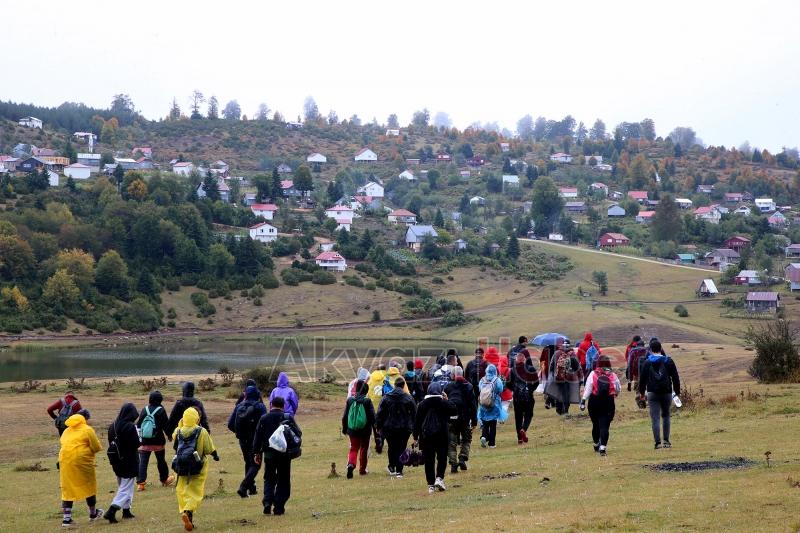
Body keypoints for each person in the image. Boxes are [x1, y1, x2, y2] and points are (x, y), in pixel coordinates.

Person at [252, 396, 302, 516]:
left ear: (271, 405)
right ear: (283, 406)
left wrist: (256, 452)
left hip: (269, 454)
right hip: (285, 455)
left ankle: (268, 501)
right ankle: (279, 507)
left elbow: (257, 437)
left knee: (269, 478)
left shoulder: (264, 418)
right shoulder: (287, 417)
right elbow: (298, 433)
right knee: (283, 479)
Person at [173, 407, 218, 531]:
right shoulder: (201, 431)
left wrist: (181, 424)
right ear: (197, 418)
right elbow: (209, 448)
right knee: (195, 492)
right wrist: (215, 455)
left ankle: (186, 515)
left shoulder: (178, 430)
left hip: (181, 466)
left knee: (182, 491)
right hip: (198, 465)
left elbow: (174, 444)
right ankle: (188, 512)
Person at [58, 411, 103, 527]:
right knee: (89, 485)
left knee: (68, 488)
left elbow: (63, 443)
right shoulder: (87, 429)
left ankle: (66, 519)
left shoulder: (66, 431)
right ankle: (93, 514)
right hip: (82, 462)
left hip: (65, 461)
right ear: (85, 418)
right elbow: (96, 447)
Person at [413, 382, 456, 494]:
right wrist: (447, 399)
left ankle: (430, 485)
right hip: (442, 435)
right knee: (442, 458)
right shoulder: (443, 403)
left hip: (426, 436)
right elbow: (454, 410)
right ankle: (439, 478)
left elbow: (417, 422)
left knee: (429, 461)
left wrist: (415, 436)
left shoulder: (422, 404)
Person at [638, 339, 681, 449]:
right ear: (661, 348)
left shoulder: (647, 362)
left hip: (652, 392)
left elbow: (642, 380)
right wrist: (677, 392)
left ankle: (657, 443)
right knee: (666, 415)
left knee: (655, 418)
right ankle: (666, 441)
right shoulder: (668, 361)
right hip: (667, 392)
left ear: (651, 350)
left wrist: (642, 394)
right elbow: (676, 378)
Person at [228, 385, 267, 498]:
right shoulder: (260, 407)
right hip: (256, 441)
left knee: (248, 463)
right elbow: (264, 422)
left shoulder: (239, 406)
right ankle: (243, 487)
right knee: (256, 464)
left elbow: (230, 424)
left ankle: (251, 489)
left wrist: (239, 433)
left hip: (242, 440)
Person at [105, 403, 140, 523]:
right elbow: (136, 443)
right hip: (129, 461)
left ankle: (126, 511)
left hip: (116, 461)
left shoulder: (112, 426)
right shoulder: (130, 426)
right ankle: (112, 510)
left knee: (123, 486)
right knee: (126, 487)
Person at [376, 376, 416, 478]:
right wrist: (413, 427)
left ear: (394, 385)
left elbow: (380, 413)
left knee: (392, 447)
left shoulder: (386, 397)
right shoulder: (409, 398)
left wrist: (378, 426)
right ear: (403, 386)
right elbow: (414, 414)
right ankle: (399, 470)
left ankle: (392, 466)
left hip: (389, 427)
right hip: (404, 428)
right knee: (401, 448)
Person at [580, 356, 621, 456]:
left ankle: (596, 443)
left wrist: (583, 400)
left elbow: (588, 388)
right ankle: (603, 447)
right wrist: (615, 394)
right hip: (608, 401)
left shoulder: (593, 373)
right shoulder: (613, 375)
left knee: (595, 424)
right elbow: (618, 388)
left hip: (594, 401)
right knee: (605, 425)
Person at [136, 390, 174, 491]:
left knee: (143, 463)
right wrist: (170, 435)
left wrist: (139, 439)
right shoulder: (161, 410)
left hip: (144, 441)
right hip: (158, 441)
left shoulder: (144, 409)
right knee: (161, 461)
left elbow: (139, 425)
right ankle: (164, 480)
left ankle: (141, 483)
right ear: (160, 399)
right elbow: (166, 425)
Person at [444, 366, 477, 473]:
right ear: (462, 374)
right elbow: (473, 405)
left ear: (453, 375)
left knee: (451, 441)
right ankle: (462, 457)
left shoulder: (448, 387)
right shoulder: (469, 387)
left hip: (452, 418)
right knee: (466, 439)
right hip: (465, 418)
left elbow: (445, 403)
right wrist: (474, 420)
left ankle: (453, 464)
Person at [342, 380, 376, 478]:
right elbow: (373, 418)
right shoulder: (367, 401)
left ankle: (351, 465)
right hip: (365, 430)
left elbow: (345, 416)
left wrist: (345, 429)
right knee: (364, 449)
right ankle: (362, 470)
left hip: (352, 430)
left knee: (353, 448)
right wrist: (375, 430)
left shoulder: (350, 400)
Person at [509, 344, 539, 444]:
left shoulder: (513, 370)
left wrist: (514, 390)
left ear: (517, 358)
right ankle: (524, 429)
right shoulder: (531, 369)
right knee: (529, 414)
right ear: (525, 358)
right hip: (528, 396)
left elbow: (508, 384)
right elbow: (536, 382)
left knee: (518, 417)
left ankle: (519, 438)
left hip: (517, 397)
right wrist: (530, 390)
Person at [546, 338, 583, 415]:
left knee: (559, 393)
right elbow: (577, 367)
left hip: (558, 377)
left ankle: (559, 410)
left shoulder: (556, 353)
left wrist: (552, 375)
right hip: (568, 378)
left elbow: (551, 365)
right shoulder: (572, 354)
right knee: (566, 394)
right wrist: (580, 377)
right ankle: (565, 410)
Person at [477, 363, 505, 448]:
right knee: (493, 424)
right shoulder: (497, 380)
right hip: (494, 404)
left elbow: (480, 389)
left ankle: (484, 437)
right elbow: (500, 390)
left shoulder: (482, 379)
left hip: (484, 404)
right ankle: (492, 444)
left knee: (485, 423)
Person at [366, 365, 388, 453]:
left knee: (374, 426)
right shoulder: (386, 378)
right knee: (382, 425)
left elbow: (367, 392)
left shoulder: (371, 378)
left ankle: (377, 441)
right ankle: (381, 441)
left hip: (372, 406)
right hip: (383, 406)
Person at [540, 345, 556, 409]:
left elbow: (541, 359)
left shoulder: (545, 349)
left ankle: (551, 402)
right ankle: (549, 402)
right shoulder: (556, 348)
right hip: (554, 369)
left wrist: (542, 367)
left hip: (547, 369)